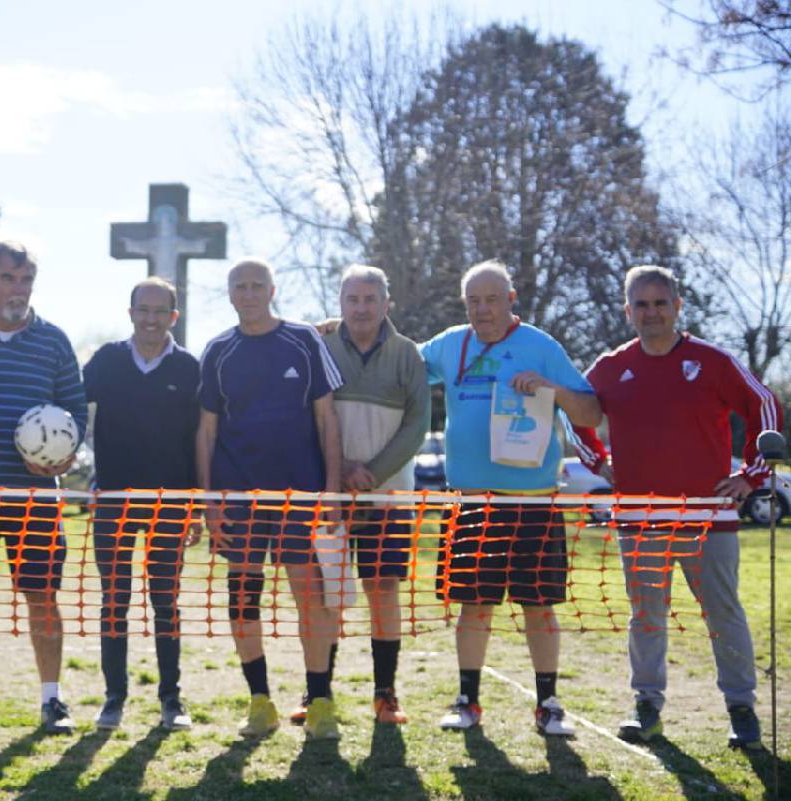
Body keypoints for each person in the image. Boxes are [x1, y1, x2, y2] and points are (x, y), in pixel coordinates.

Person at [568, 265, 781, 750]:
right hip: (639, 517)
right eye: (641, 304)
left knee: (723, 612)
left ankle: (741, 708)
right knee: (646, 614)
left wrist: (751, 476)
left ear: (677, 307)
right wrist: (600, 464)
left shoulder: (713, 361)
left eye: (660, 303)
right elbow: (572, 413)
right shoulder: (609, 366)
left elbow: (765, 405)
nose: (652, 313)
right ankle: (646, 706)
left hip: (708, 515)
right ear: (628, 312)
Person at [419, 260, 601, 736]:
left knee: (539, 606)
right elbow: (397, 363)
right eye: (473, 301)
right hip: (471, 503)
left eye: (492, 299)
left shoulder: (541, 347)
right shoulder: (449, 344)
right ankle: (467, 701)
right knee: (473, 605)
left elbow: (591, 409)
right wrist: (345, 331)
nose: (482, 310)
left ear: (511, 299)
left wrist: (552, 389)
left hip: (533, 502)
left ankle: (548, 705)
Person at [0, 240, 88, 735]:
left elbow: (75, 411)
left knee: (42, 596)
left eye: (26, 279)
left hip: (35, 499)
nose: (19, 289)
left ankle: (52, 701)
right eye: (8, 278)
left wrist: (66, 455)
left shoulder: (54, 341)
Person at [197, 258, 345, 740]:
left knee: (311, 597)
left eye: (257, 284)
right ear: (230, 293)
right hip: (237, 495)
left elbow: (328, 421)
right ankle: (259, 702)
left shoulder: (304, 340)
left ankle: (320, 699)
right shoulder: (218, 350)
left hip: (299, 495)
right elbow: (206, 430)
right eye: (239, 286)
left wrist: (332, 491)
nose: (249, 293)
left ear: (272, 289)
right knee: (242, 596)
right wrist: (208, 499)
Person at [83, 276, 200, 732]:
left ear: (174, 316)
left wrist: (193, 504)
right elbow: (70, 405)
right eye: (142, 310)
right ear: (130, 313)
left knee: (165, 601)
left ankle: (171, 700)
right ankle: (114, 698)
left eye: (160, 311)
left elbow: (199, 439)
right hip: (112, 498)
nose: (151, 320)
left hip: (170, 503)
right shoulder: (108, 360)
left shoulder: (190, 368)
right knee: (114, 600)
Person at [320, 264, 429, 726]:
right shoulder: (319, 346)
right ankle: (317, 695)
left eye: (370, 299)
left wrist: (374, 474)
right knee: (326, 595)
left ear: (387, 304)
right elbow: (307, 415)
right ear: (340, 302)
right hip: (326, 498)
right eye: (352, 299)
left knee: (382, 590)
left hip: (388, 500)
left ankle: (385, 695)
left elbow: (417, 425)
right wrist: (340, 470)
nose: (361, 307)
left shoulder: (408, 355)